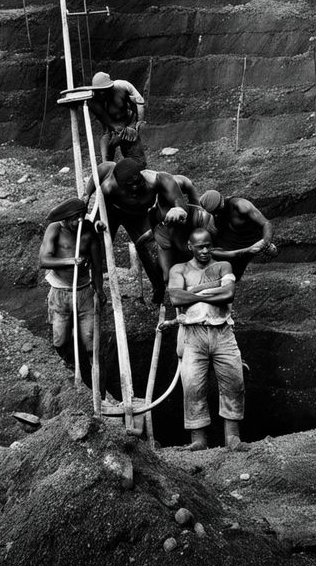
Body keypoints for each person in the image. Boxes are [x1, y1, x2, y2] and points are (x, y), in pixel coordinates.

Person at [165, 228, 246, 451]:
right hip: (193, 334)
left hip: (222, 332)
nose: (205, 250)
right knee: (192, 385)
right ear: (190, 246)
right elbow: (175, 297)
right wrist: (211, 290)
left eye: (208, 245)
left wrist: (191, 295)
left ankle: (232, 438)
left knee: (234, 381)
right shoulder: (179, 269)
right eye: (199, 246)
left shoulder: (222, 266)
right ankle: (198, 440)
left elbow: (228, 294)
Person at [83, 157, 188, 304]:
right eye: (128, 185)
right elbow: (100, 169)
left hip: (137, 216)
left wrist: (178, 207)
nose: (134, 188)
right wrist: (87, 195)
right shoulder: (109, 182)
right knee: (96, 249)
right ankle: (94, 290)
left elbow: (178, 199)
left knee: (150, 249)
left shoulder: (156, 180)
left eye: (137, 182)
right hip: (110, 213)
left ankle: (158, 288)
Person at [38, 196, 105, 379]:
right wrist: (71, 261)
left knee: (91, 342)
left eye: (82, 217)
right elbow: (44, 260)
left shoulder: (88, 231)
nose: (79, 221)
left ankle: (96, 374)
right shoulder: (55, 230)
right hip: (60, 293)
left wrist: (99, 290)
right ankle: (68, 365)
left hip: (84, 292)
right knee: (60, 341)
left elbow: (98, 267)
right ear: (65, 220)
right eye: (75, 218)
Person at [199, 190, 277, 280]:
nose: (215, 214)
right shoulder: (211, 216)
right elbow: (211, 246)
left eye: (216, 211)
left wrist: (266, 241)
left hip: (252, 242)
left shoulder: (241, 205)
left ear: (221, 203)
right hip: (233, 248)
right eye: (213, 213)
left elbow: (266, 223)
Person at [87, 71, 146, 167]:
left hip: (128, 122)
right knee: (105, 161)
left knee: (138, 162)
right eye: (99, 90)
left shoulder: (122, 86)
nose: (102, 93)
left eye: (104, 90)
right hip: (110, 129)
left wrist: (138, 123)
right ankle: (106, 169)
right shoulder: (92, 100)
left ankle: (138, 170)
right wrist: (114, 127)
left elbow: (139, 102)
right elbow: (103, 118)